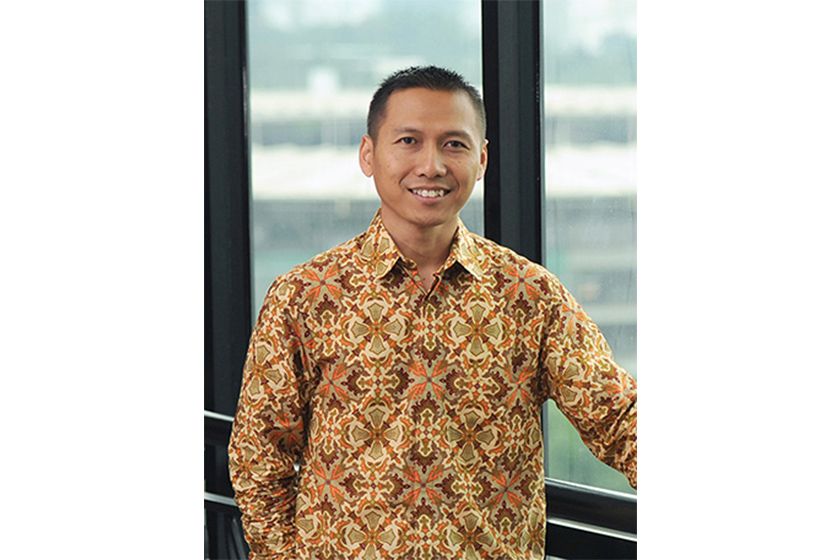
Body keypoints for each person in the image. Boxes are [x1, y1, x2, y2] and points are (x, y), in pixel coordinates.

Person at [228, 66, 636, 559]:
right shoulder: (305, 296)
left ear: (482, 159)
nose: (431, 165)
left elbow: (616, 416)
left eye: (454, 145)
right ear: (368, 154)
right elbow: (259, 457)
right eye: (408, 141)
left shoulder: (531, 296)